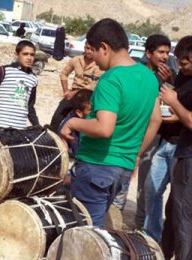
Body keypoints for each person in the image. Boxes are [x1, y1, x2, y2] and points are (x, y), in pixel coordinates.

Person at [60, 18, 161, 227]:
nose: (94, 61)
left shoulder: (111, 79)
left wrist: (72, 124)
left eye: (94, 52)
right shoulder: (149, 77)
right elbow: (155, 120)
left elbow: (104, 127)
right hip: (122, 168)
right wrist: (136, 153)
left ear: (104, 47)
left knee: (85, 234)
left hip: (97, 166)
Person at [140, 34, 182, 242]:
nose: (165, 57)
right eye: (161, 52)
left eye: (168, 52)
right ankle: (147, 232)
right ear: (149, 53)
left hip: (163, 137)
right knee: (147, 187)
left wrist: (171, 83)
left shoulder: (173, 74)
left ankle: (157, 235)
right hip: (146, 132)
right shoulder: (141, 73)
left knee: (169, 194)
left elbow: (176, 103)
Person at [160, 35, 192, 260]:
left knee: (183, 212)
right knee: (173, 208)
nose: (182, 68)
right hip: (184, 152)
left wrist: (173, 102)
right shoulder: (185, 78)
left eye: (185, 64)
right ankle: (165, 256)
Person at [0, 40, 39, 129]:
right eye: (25, 54)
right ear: (17, 55)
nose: (29, 58)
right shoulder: (5, 71)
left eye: (32, 55)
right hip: (1, 127)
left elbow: (30, 106)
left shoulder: (33, 79)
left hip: (20, 130)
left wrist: (37, 125)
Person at [50, 43, 102, 131]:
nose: (89, 51)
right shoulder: (76, 59)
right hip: (72, 94)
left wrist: (74, 93)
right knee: (56, 118)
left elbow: (94, 84)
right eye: (88, 48)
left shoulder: (99, 64)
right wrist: (66, 91)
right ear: (84, 48)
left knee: (86, 120)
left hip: (88, 96)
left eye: (92, 49)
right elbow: (64, 74)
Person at [57, 89, 93, 156]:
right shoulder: (67, 128)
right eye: (91, 110)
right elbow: (62, 153)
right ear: (79, 113)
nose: (96, 112)